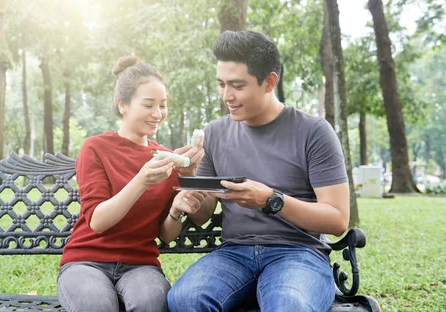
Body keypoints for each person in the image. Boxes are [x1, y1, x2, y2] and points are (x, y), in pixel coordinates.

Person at [167, 31, 350, 312]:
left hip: (299, 252)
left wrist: (270, 200)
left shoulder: (313, 132)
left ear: (269, 82)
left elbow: (338, 220)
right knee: (185, 300)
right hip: (234, 253)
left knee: (288, 306)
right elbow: (203, 213)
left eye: (237, 85)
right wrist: (190, 190)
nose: (227, 96)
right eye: (221, 84)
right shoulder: (215, 133)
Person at [57, 56, 207, 312]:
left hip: (140, 264)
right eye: (148, 105)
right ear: (122, 105)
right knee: (98, 306)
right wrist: (141, 180)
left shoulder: (165, 159)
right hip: (86, 261)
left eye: (163, 105)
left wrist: (181, 196)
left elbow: (166, 234)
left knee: (152, 305)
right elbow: (98, 221)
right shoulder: (95, 148)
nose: (158, 114)